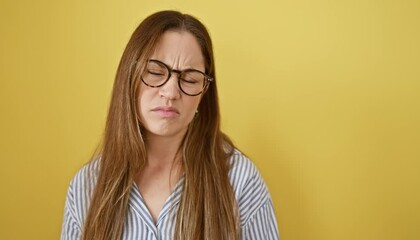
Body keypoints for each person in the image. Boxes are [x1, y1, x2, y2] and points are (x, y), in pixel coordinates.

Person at [61, 10, 279, 240]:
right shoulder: (86, 187)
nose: (171, 92)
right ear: (129, 77)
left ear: (204, 92)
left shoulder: (240, 180)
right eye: (155, 72)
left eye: (190, 79)